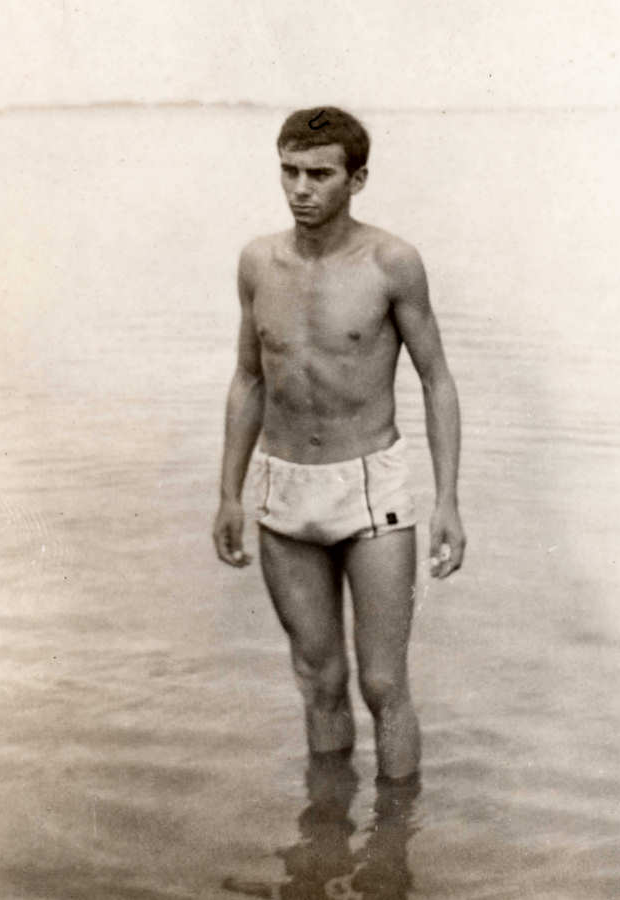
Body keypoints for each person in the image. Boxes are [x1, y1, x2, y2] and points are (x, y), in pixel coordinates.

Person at [213, 106, 466, 782]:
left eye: (320, 174)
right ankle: (325, 829)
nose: (301, 189)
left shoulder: (391, 263)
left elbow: (437, 380)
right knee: (318, 678)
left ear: (357, 179)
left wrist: (447, 500)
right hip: (284, 484)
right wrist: (228, 494)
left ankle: (396, 833)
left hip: (369, 486)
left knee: (383, 683)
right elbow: (248, 378)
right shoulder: (257, 263)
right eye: (289, 171)